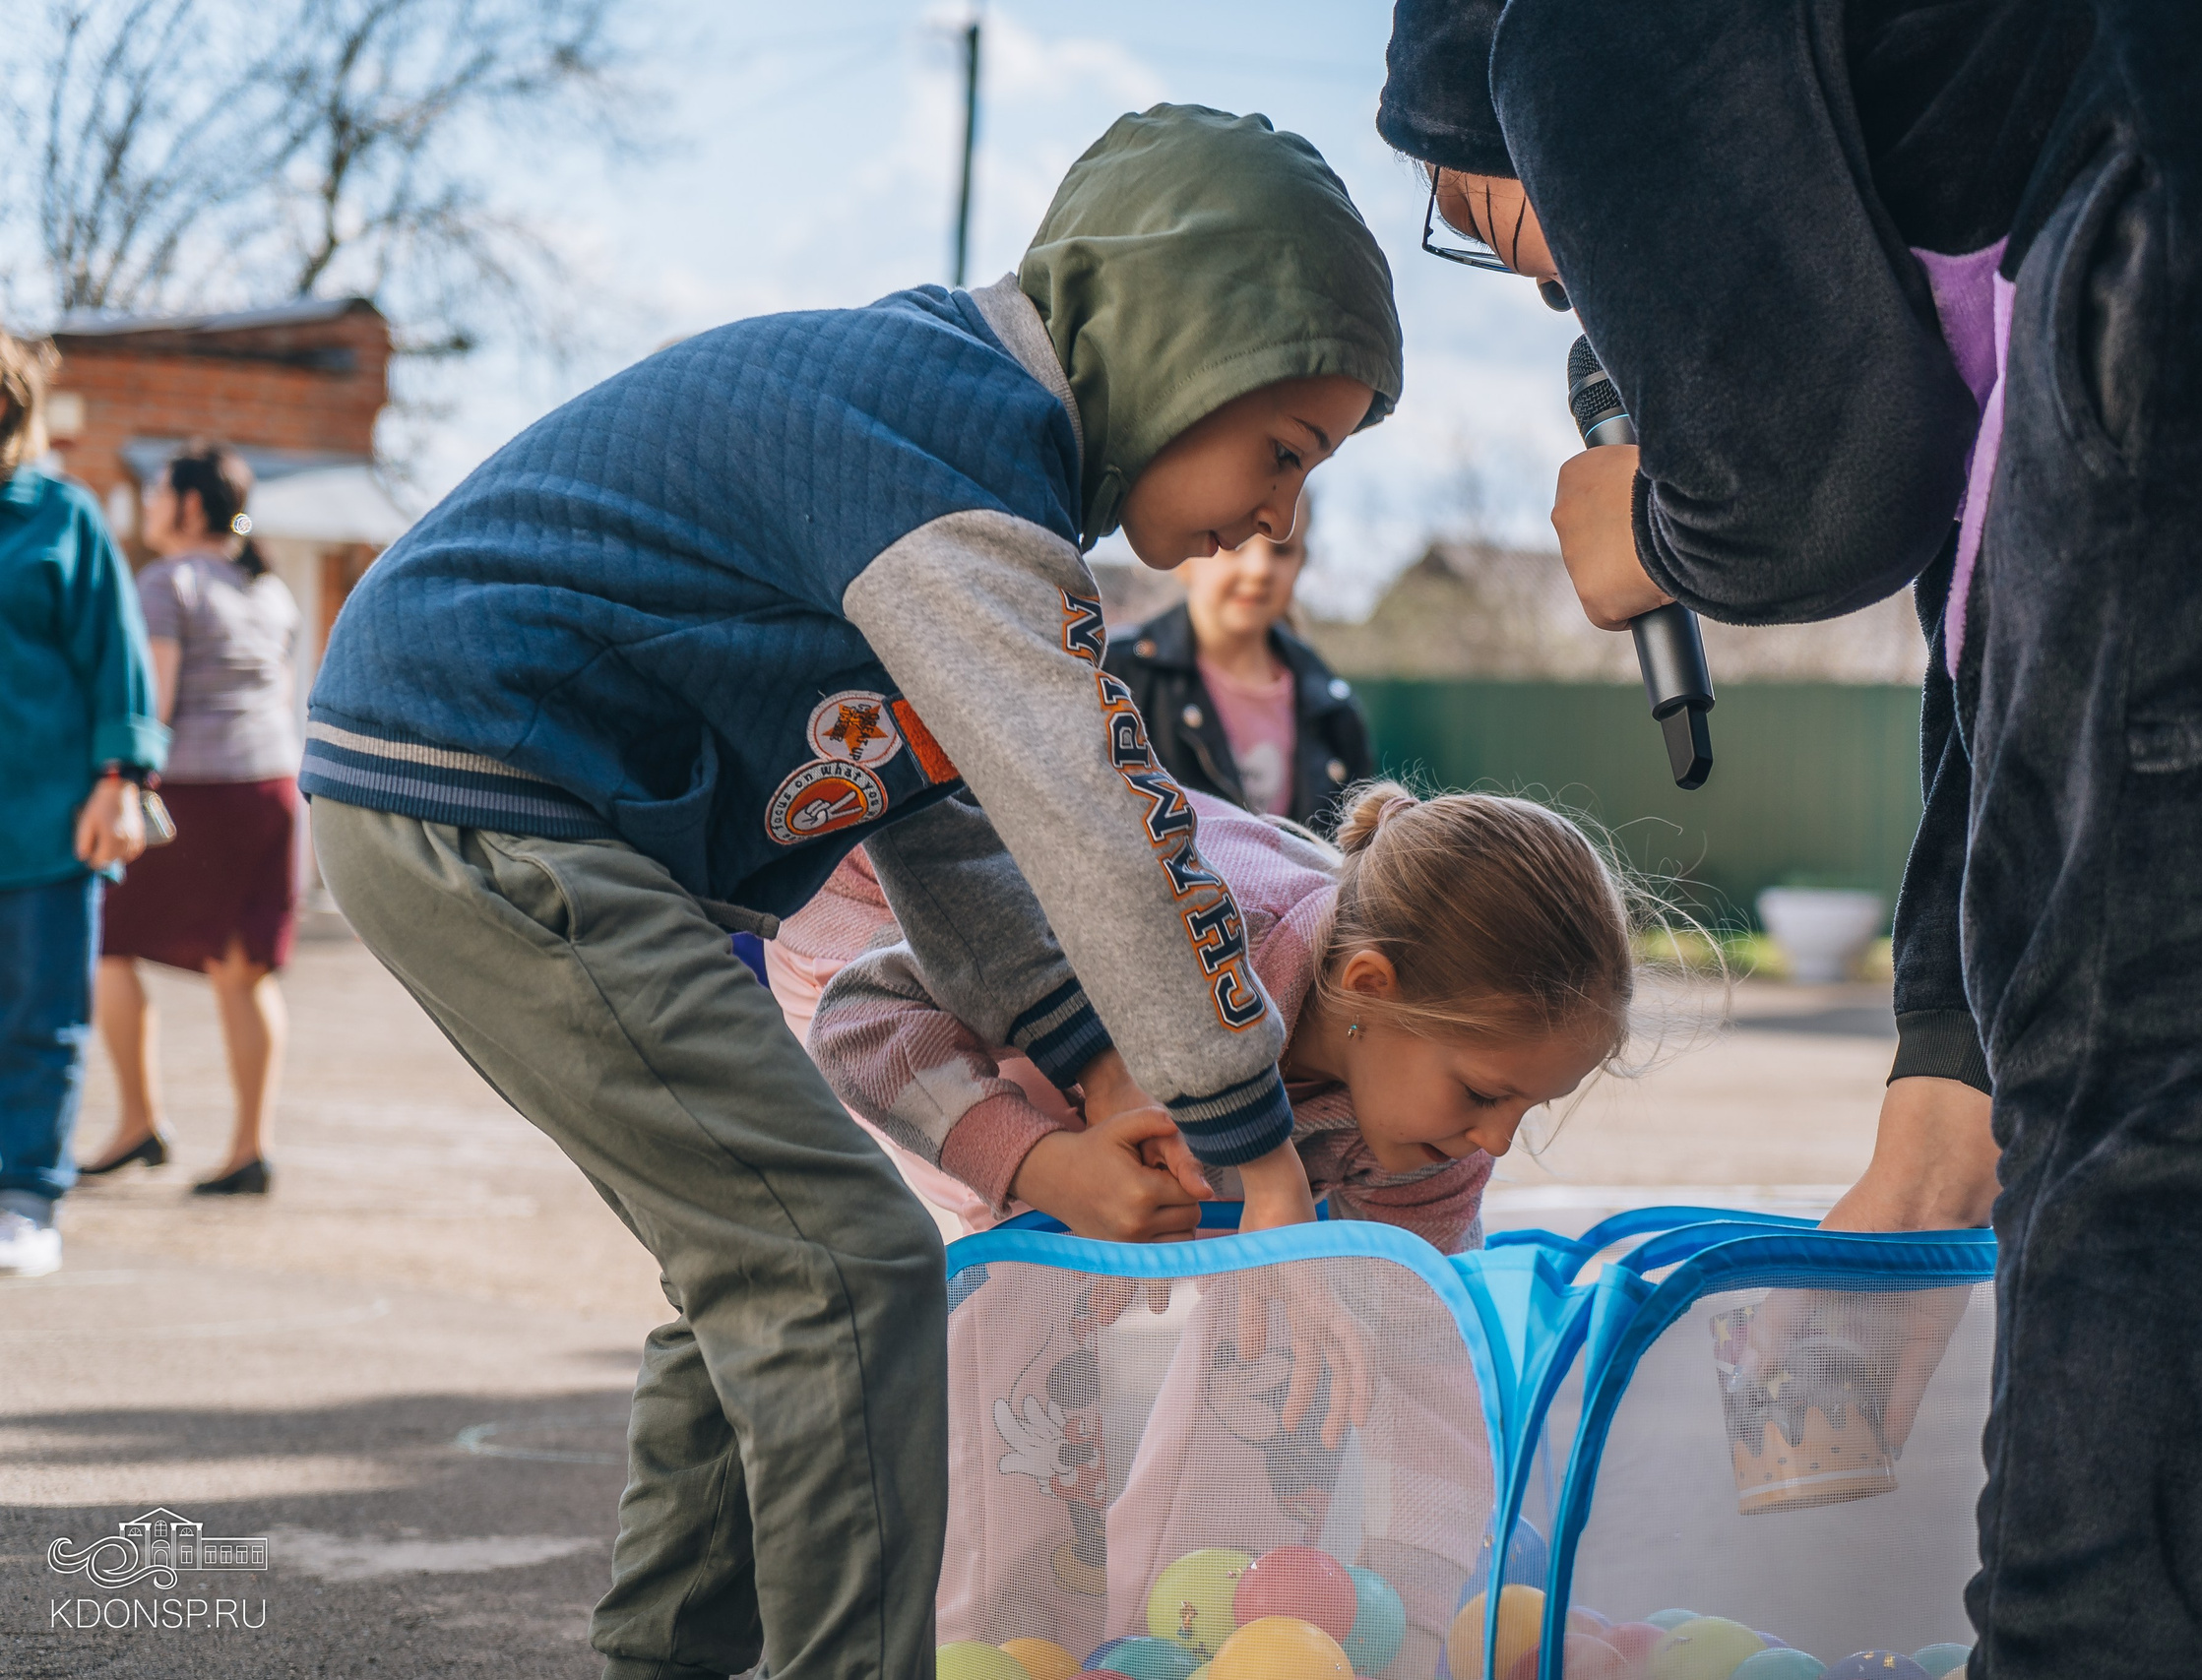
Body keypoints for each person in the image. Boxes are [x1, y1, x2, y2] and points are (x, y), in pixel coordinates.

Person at [1378, 4, 2202, 1676]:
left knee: (2177, 1314)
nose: (1574, 284)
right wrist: (1940, 1096)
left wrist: (1658, 525)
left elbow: (1827, 492)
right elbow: (2010, 603)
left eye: (1502, 221)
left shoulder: (1541, 26)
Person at [300, 104, 1404, 1680]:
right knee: (845, 1265)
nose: (1286, 512)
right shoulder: (949, 443)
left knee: (758, 1257)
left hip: (525, 805)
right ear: (1171, 346)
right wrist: (1259, 1161)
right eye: (1282, 448)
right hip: (485, 783)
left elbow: (944, 838)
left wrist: (1098, 1076)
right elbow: (1102, 814)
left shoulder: (968, 481)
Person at [804, 781, 1637, 1665]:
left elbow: (1422, 1357)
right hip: (866, 885)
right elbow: (863, 1020)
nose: (1498, 1138)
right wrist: (1041, 1162)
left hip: (1197, 1033)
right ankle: (1009, 1621)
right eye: (1483, 1092)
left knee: (1305, 1305)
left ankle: (1175, 1630)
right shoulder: (1187, 941)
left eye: (1531, 1107)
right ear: (1367, 987)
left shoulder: (1439, 1131)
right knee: (1031, 1283)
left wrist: (1423, 1618)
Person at [83, 444, 301, 1197]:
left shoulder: (165, 582)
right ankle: (250, 1147)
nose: (147, 505)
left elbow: (156, 700)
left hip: (195, 790)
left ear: (190, 508)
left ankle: (139, 1122)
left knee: (108, 945)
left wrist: (113, 780)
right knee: (245, 970)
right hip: (272, 785)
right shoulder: (270, 590)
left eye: (156, 493)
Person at [0, 328, 165, 1277]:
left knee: (39, 1014)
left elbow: (120, 663)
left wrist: (122, 781)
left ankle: (27, 1196)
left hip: (50, 822)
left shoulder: (61, 516)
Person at [1101, 498, 1373, 834]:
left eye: (1283, 551)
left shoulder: (1332, 706)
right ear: (1185, 556)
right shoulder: (1115, 674)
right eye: (1236, 544)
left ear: (1303, 561)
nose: (1260, 569)